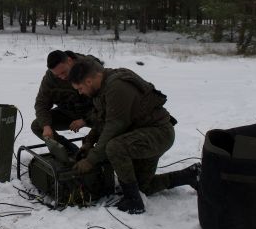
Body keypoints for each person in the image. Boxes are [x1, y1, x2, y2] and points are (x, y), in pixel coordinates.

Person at [67, 58, 198, 214]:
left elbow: (113, 127)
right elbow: (101, 120)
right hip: (140, 135)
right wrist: (89, 142)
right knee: (143, 187)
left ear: (88, 81)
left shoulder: (117, 87)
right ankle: (190, 175)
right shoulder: (100, 89)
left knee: (115, 147)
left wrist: (91, 160)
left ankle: (133, 201)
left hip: (158, 134)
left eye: (80, 88)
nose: (80, 92)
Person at [32, 50, 102, 151]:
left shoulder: (91, 67)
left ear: (69, 61)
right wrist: (46, 126)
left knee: (111, 126)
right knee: (39, 125)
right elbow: (41, 103)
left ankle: (100, 155)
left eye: (64, 72)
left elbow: (106, 102)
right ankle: (69, 151)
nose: (62, 77)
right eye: (58, 75)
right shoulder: (50, 78)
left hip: (95, 114)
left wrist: (85, 120)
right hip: (69, 113)